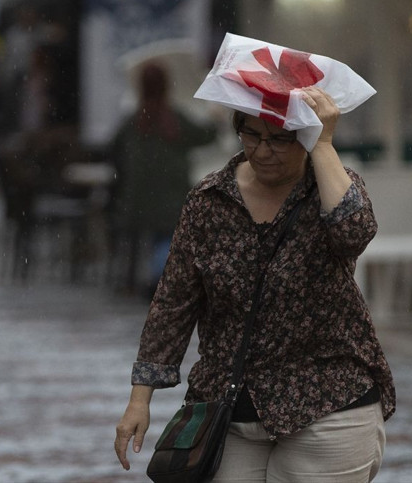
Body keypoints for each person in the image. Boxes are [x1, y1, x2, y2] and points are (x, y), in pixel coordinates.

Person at [115, 86, 395, 482]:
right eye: (251, 135)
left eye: (280, 139)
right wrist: (139, 399)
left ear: (304, 136)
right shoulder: (209, 201)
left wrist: (325, 144)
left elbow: (355, 233)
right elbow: (174, 302)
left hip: (329, 402)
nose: (263, 151)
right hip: (228, 410)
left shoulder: (332, 188)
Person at [109, 61, 216, 297]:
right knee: (166, 239)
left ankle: (131, 282)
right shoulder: (175, 120)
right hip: (171, 200)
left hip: (135, 202)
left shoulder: (132, 122)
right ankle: (159, 279)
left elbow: (114, 151)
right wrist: (215, 118)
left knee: (138, 239)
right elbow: (206, 136)